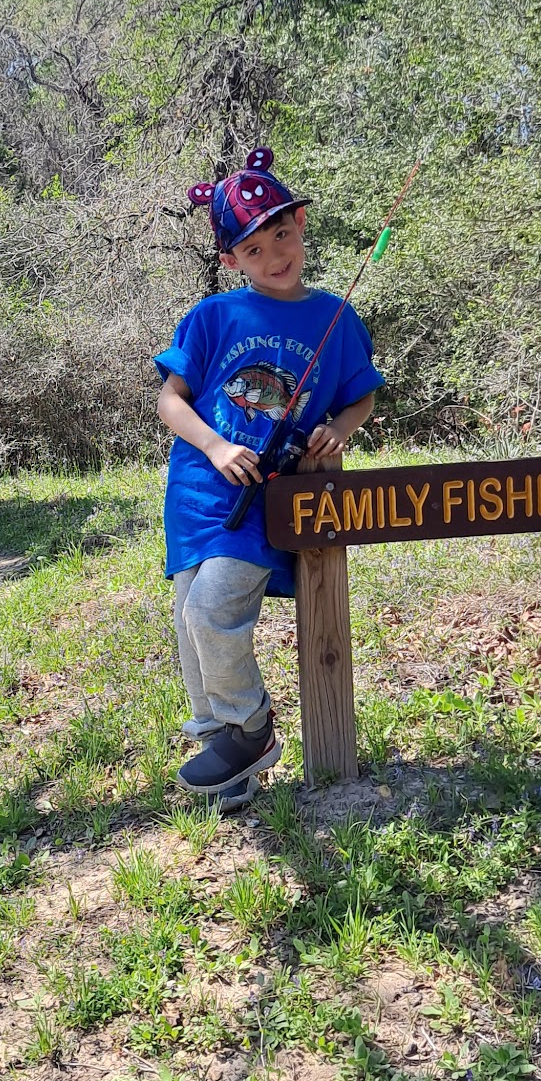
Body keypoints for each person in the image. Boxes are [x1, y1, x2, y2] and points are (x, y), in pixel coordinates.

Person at [155, 147, 383, 798]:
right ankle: (228, 763)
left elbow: (360, 393)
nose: (274, 255)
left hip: (267, 507)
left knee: (212, 612)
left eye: (282, 234)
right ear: (231, 261)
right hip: (198, 496)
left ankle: (251, 727)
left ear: (302, 224)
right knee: (190, 629)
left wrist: (339, 430)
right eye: (254, 249)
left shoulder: (335, 317)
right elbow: (170, 401)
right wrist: (218, 447)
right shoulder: (210, 318)